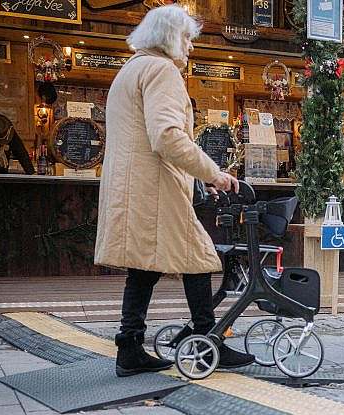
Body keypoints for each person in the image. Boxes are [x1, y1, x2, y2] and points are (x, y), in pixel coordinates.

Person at [95, 4, 254, 376]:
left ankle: (129, 347)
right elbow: (167, 136)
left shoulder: (131, 69)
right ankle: (208, 339)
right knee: (197, 256)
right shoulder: (162, 71)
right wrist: (214, 174)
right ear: (170, 37)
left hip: (134, 186)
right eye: (187, 38)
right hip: (155, 187)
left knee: (144, 268)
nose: (191, 47)